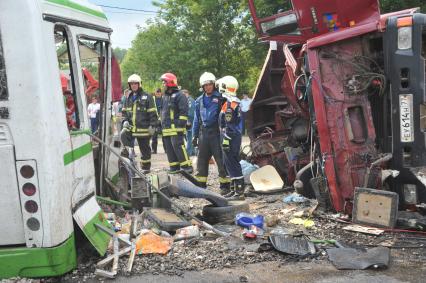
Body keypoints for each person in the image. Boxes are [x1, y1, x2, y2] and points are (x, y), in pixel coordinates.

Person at [192, 72, 231, 195]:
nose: (208, 87)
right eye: (205, 85)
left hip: (217, 132)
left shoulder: (221, 98)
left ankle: (225, 185)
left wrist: (226, 133)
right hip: (204, 133)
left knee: (220, 159)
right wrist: (195, 135)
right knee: (202, 159)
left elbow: (226, 117)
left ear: (213, 84)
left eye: (210, 84)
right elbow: (196, 119)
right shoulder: (198, 100)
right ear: (202, 86)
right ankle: (200, 184)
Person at [121, 74, 158, 172]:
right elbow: (124, 113)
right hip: (131, 128)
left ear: (139, 84)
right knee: (123, 136)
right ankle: (130, 164)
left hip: (144, 129)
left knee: (145, 149)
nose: (133, 85)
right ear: (129, 85)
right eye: (131, 84)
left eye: (135, 84)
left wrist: (153, 125)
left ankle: (146, 168)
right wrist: (124, 121)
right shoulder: (128, 98)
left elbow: (152, 112)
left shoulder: (147, 96)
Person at [218, 76, 245, 200]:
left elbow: (229, 125)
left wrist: (226, 139)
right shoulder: (233, 102)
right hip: (233, 135)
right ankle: (234, 190)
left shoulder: (230, 104)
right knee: (229, 162)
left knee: (232, 162)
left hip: (230, 136)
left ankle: (239, 192)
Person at [160, 72, 193, 174]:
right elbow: (163, 111)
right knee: (169, 148)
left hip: (176, 128)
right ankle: (174, 167)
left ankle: (187, 167)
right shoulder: (165, 96)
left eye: (164, 82)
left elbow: (183, 111)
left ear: (170, 82)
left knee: (178, 146)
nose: (163, 84)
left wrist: (180, 124)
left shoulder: (180, 95)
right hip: (166, 128)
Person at [182, 89, 196, 156]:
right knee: (190, 136)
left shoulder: (190, 100)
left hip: (191, 120)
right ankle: (193, 151)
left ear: (186, 93)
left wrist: (188, 121)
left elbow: (190, 112)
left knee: (190, 136)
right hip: (191, 120)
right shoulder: (189, 100)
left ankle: (188, 152)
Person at [151, 88, 162, 154]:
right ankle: (154, 150)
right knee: (154, 136)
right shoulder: (153, 99)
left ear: (161, 93)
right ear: (155, 93)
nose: (158, 94)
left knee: (165, 136)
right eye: (157, 93)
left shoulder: (163, 99)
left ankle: (166, 150)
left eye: (159, 92)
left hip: (162, 119)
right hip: (154, 119)